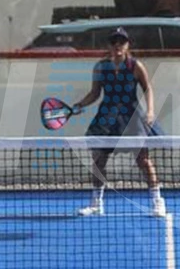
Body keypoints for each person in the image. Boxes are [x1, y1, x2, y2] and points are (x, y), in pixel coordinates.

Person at [71, 27, 166, 217]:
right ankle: (97, 203)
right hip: (107, 115)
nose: (117, 45)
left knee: (143, 160)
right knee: (98, 160)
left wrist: (150, 112)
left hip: (132, 115)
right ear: (109, 45)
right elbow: (95, 93)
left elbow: (148, 89)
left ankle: (158, 202)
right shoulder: (100, 67)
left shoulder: (136, 66)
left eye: (121, 42)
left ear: (127, 44)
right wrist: (80, 105)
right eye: (114, 42)